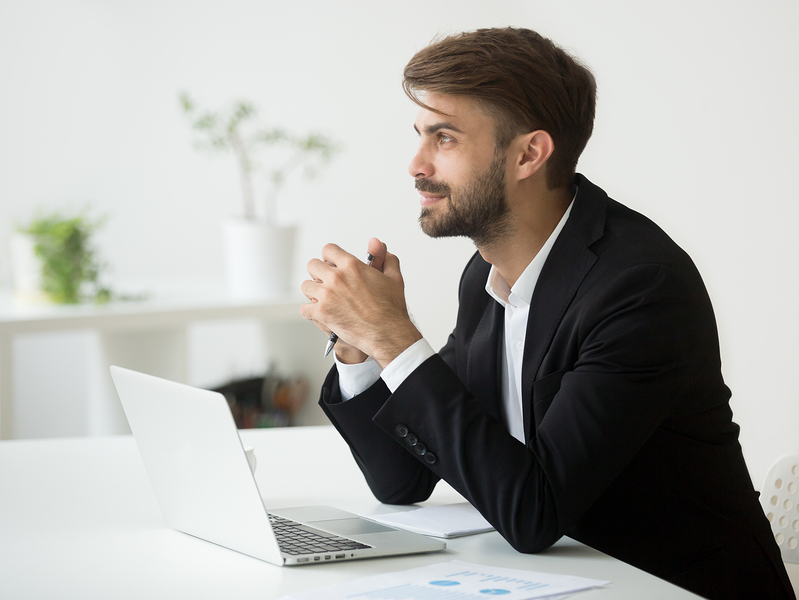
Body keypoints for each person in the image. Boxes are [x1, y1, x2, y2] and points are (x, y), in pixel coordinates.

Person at [299, 27, 794, 599]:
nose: (415, 163)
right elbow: (401, 480)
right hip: (570, 583)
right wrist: (360, 345)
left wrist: (394, 336)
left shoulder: (639, 288)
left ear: (529, 153)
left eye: (445, 138)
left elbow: (535, 512)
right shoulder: (487, 277)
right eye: (419, 135)